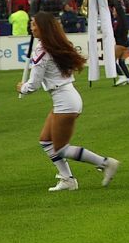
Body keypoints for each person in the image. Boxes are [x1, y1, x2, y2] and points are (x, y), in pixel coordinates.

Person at [17, 11, 120, 191]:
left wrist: (22, 88)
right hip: (66, 98)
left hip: (65, 101)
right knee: (45, 141)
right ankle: (67, 179)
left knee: (61, 148)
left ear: (43, 28)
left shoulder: (43, 50)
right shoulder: (51, 45)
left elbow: (34, 84)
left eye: (34, 24)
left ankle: (105, 163)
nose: (31, 28)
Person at [110, 0, 129, 86]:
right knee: (121, 62)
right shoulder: (122, 21)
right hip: (126, 44)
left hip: (120, 44)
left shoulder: (118, 21)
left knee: (112, 60)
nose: (113, 12)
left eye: (114, 11)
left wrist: (115, 1)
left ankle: (121, 76)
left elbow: (115, 32)